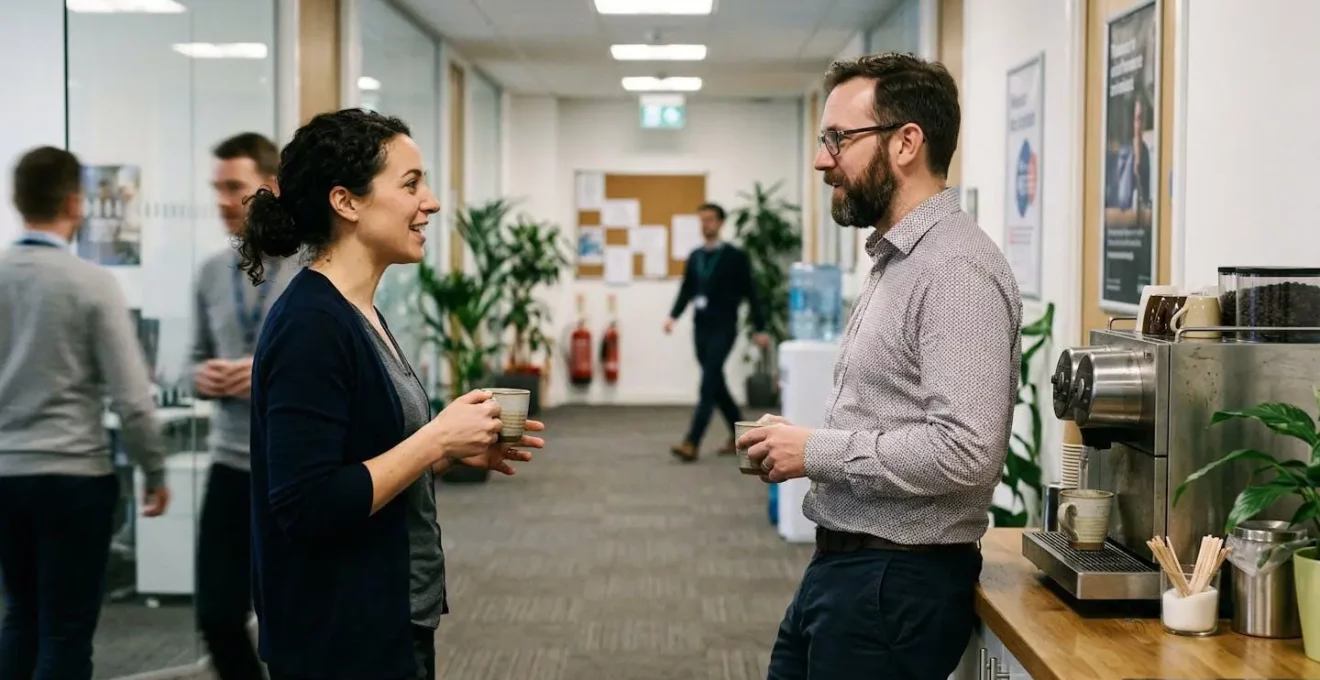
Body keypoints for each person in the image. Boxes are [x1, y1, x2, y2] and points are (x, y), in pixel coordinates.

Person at [738, 53, 1022, 680]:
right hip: (849, 570)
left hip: (894, 584)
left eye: (839, 138)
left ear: (906, 143)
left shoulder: (954, 271)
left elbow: (967, 451)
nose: (822, 158)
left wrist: (816, 452)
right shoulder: (902, 259)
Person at [239, 108, 545, 680]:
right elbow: (307, 504)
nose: (429, 202)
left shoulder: (359, 312)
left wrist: (450, 453)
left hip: (389, 619)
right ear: (346, 202)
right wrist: (433, 442)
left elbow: (363, 458)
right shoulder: (312, 324)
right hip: (339, 637)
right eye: (410, 184)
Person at [0, 146, 170, 680]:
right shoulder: (92, 284)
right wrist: (155, 470)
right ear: (77, 204)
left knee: (19, 616)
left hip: (6, 477)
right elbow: (132, 398)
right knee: (65, 631)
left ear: (16, 200)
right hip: (75, 480)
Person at [190, 132, 294, 680]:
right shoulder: (211, 273)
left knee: (291, 615)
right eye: (218, 189)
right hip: (230, 464)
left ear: (270, 188)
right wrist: (202, 376)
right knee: (215, 613)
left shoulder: (308, 270)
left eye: (235, 187)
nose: (223, 201)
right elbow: (190, 361)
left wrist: (259, 373)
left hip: (289, 470)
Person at [664, 202, 769, 461]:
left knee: (708, 383)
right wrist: (673, 317)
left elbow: (752, 293)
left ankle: (692, 442)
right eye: (702, 220)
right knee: (716, 383)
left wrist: (759, 328)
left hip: (725, 327)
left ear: (721, 223)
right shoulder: (696, 256)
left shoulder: (735, 256)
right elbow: (687, 290)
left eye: (710, 220)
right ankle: (745, 437)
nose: (705, 225)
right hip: (701, 328)